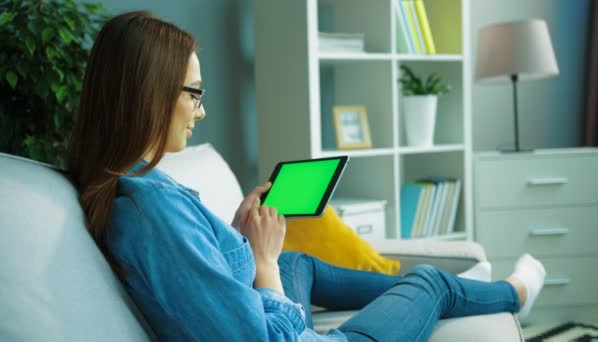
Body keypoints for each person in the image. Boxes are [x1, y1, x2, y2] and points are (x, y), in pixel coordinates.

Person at [67, 11, 546, 342]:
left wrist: (236, 237)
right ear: (152, 92)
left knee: (302, 264)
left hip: (253, 298)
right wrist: (264, 263)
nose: (202, 109)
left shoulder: (130, 183)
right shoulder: (152, 212)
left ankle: (469, 289)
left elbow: (190, 274)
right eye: (195, 93)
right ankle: (509, 293)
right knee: (428, 283)